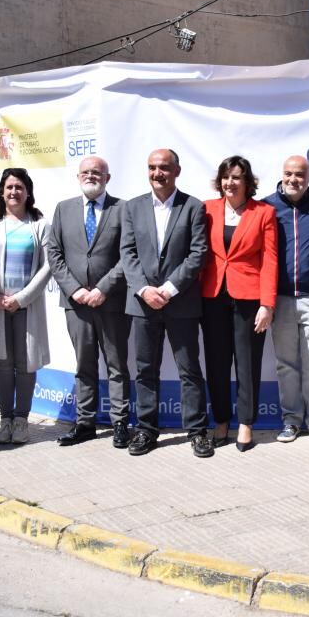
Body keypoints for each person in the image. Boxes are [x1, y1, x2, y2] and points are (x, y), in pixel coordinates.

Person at [120, 149, 213, 457]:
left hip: (181, 303)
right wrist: (145, 290)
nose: (157, 173)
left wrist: (169, 289)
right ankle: (146, 429)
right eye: (152, 167)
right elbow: (128, 254)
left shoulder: (193, 207)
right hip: (143, 304)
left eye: (163, 167)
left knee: (190, 370)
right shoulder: (132, 207)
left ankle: (197, 430)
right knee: (146, 369)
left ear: (177, 170)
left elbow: (198, 254)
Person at [46, 156, 132, 448]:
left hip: (112, 302)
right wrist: (75, 290)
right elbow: (54, 255)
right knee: (84, 364)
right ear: (78, 176)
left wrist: (104, 288)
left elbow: (128, 255)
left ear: (108, 177)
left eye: (97, 172)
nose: (91, 176)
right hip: (77, 305)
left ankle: (120, 422)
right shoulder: (63, 209)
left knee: (117, 364)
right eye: (86, 172)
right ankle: (85, 423)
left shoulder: (123, 209)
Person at [201, 156, 278, 452]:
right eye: (226, 177)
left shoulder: (264, 213)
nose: (230, 183)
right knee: (217, 364)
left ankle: (246, 423)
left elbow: (270, 260)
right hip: (212, 297)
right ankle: (221, 421)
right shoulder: (207, 209)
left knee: (247, 365)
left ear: (248, 182)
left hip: (249, 299)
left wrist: (266, 304)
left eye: (236, 177)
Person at [264, 155, 309, 443]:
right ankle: (291, 420)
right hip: (280, 298)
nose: (293, 179)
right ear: (281, 175)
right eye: (288, 174)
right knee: (286, 363)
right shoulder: (268, 206)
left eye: (299, 174)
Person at [0, 168, 51, 446]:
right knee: (3, 364)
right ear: (1, 191)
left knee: (26, 363)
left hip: (26, 306)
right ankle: (5, 419)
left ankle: (22, 420)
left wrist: (22, 298)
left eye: (19, 187)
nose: (14, 192)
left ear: (28, 192)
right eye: (9, 187)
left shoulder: (40, 225)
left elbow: (48, 267)